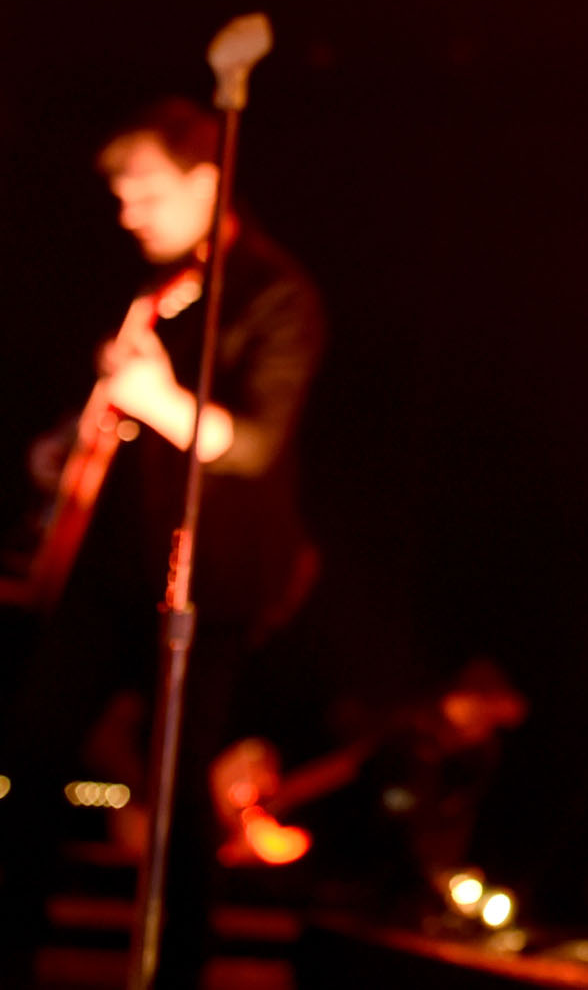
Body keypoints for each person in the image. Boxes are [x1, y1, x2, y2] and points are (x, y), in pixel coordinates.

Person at [0, 97, 324, 990]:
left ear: (205, 180)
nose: (127, 210)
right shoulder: (155, 288)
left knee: (182, 793)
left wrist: (159, 400)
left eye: (144, 189)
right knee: (29, 754)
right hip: (107, 570)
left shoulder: (275, 293)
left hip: (204, 582)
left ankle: (177, 972)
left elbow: (253, 443)